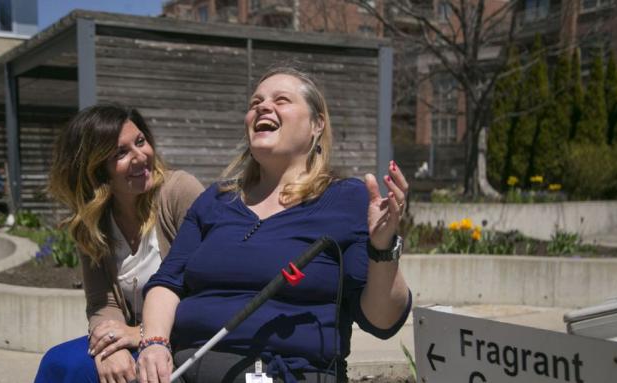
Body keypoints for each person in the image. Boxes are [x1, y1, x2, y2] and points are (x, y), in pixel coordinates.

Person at [134, 67, 412, 383]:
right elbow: (167, 282)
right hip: (186, 368)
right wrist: (153, 344)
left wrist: (383, 248)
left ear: (317, 125)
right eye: (256, 103)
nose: (263, 107)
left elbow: (383, 321)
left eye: (281, 100)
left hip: (283, 372)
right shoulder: (216, 199)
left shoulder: (347, 200)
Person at [34, 104, 204, 383]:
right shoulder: (92, 222)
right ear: (96, 169)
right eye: (121, 153)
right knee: (58, 363)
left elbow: (212, 290)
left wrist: (139, 334)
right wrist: (109, 347)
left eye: (140, 142)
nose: (141, 156)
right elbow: (103, 302)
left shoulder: (179, 192)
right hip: (134, 342)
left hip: (186, 340)